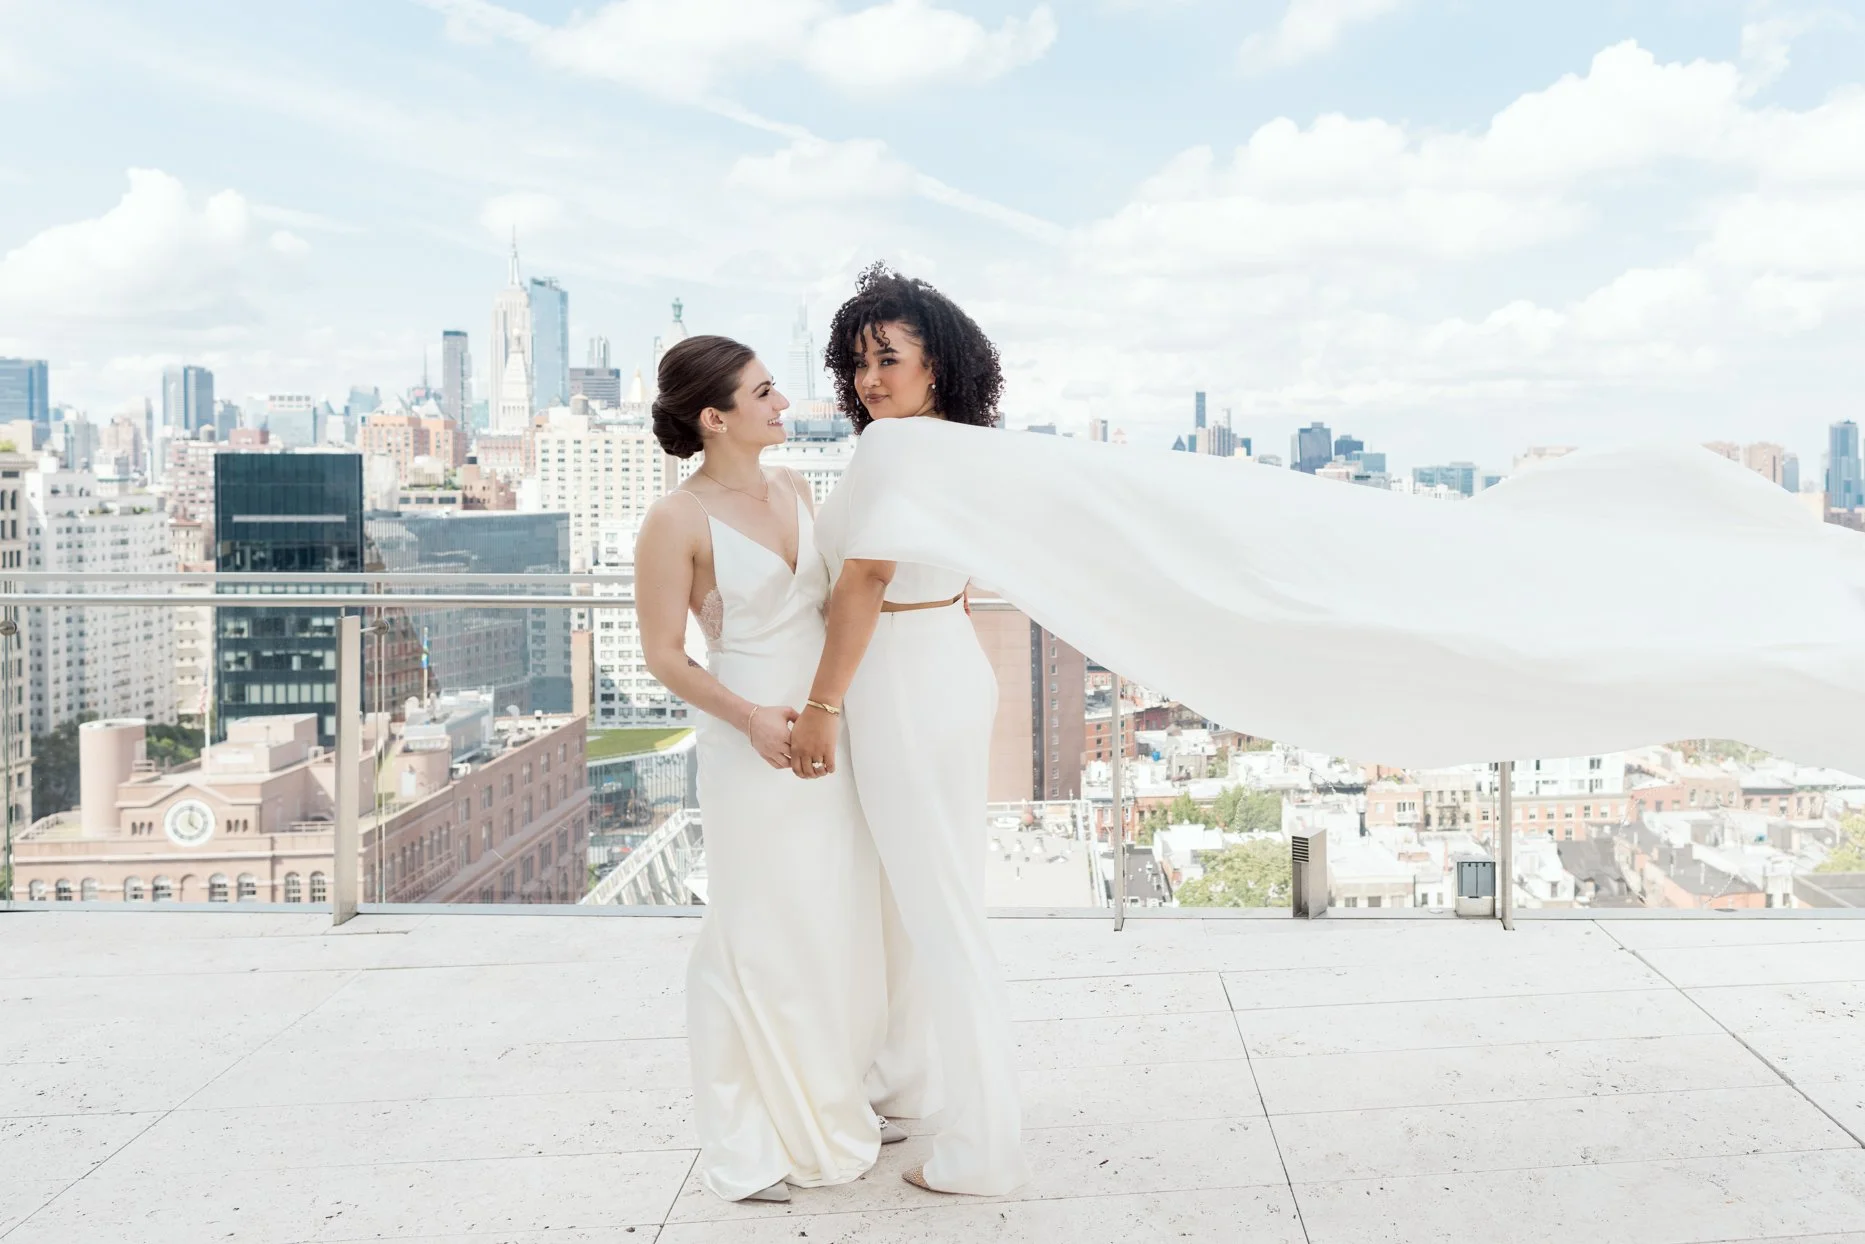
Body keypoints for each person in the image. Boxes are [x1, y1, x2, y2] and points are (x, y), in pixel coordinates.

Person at [634, 334, 916, 1204]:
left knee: (831, 917)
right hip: (748, 737)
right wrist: (753, 718)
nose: (784, 403)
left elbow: (847, 593)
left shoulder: (795, 487)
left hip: (829, 729)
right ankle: (748, 1138)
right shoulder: (673, 520)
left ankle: (830, 1093)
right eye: (763, 393)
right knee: (755, 932)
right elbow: (663, 656)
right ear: (713, 418)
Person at [791, 266, 1033, 1197]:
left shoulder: (894, 453)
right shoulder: (950, 450)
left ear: (941, 365)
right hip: (942, 660)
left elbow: (861, 583)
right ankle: (911, 1082)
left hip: (897, 674)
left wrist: (819, 708)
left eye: (889, 358)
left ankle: (982, 1146)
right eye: (857, 362)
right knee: (925, 896)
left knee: (937, 909)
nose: (869, 379)